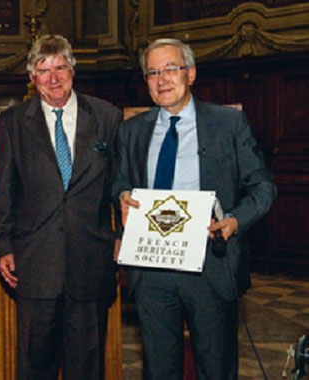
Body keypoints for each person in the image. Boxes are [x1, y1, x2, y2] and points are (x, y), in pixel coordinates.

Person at [111, 38, 277, 380]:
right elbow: (119, 180)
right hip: (152, 268)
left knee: (215, 368)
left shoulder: (227, 124)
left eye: (171, 69)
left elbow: (263, 186)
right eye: (153, 72)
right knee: (158, 370)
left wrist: (234, 220)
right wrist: (123, 194)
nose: (162, 79)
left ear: (191, 73)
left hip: (210, 267)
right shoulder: (131, 131)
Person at [0, 34, 122, 380]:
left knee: (87, 369)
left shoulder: (107, 116)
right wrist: (3, 245)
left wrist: (124, 236)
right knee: (35, 368)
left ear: (72, 71)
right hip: (34, 265)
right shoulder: (12, 123)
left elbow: (121, 186)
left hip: (91, 262)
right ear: (32, 78)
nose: (53, 77)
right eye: (43, 70)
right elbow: (3, 191)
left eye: (60, 67)